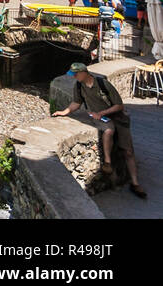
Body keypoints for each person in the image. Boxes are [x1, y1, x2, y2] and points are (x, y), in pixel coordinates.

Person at [53, 63, 146, 199]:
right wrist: (64, 111)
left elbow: (119, 105)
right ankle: (107, 163)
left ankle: (135, 183)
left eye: (76, 74)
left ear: (84, 73)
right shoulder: (78, 86)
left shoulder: (103, 84)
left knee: (128, 151)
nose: (74, 77)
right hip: (101, 119)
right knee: (108, 131)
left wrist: (102, 112)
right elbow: (76, 103)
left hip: (117, 118)